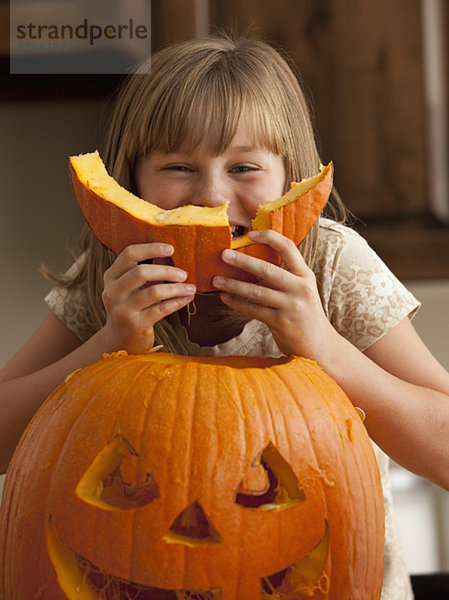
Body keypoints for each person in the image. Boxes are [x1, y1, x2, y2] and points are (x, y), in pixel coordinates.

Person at [1, 34, 448, 599]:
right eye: (179, 166)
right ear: (129, 180)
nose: (211, 196)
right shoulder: (111, 277)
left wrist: (326, 348)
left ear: (291, 178)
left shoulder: (329, 264)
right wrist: (106, 345)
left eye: (243, 166)